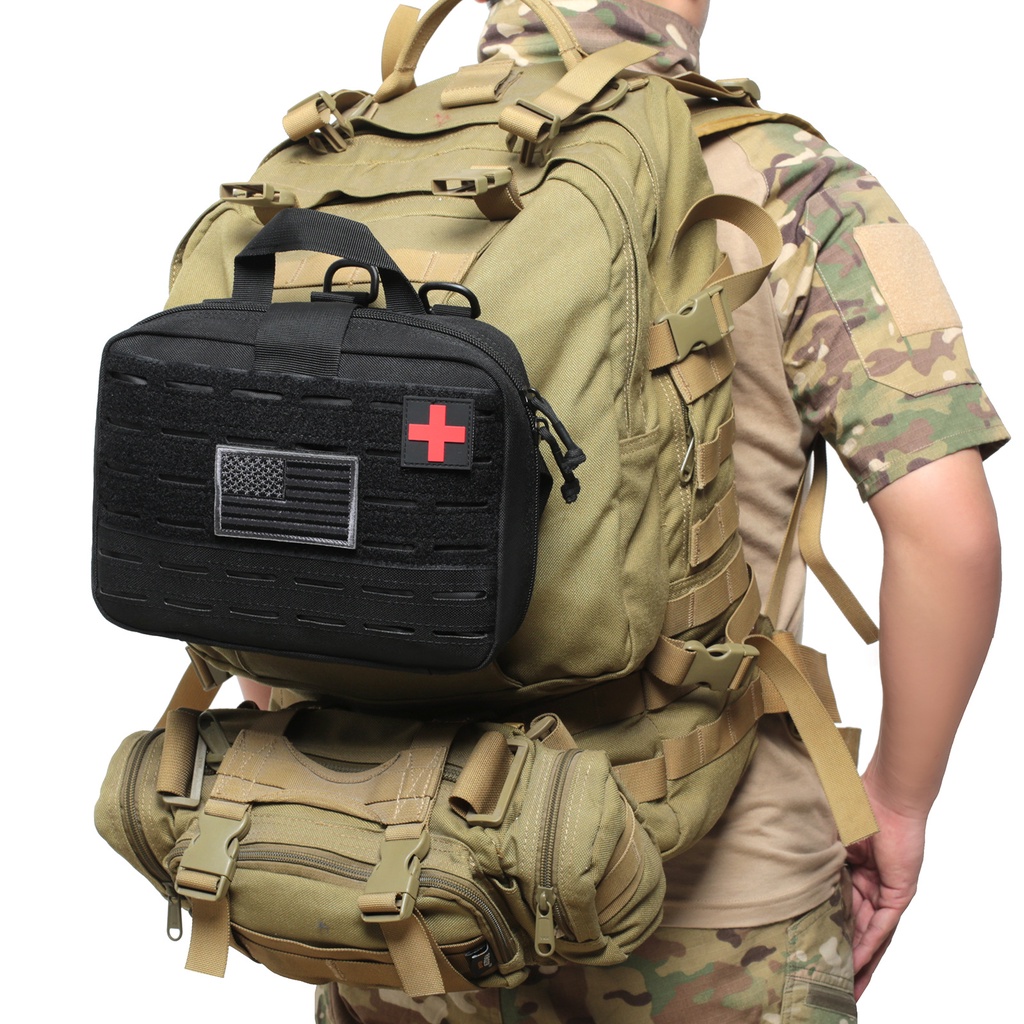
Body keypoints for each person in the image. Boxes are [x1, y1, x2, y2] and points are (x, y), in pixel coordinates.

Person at [267, 1, 1005, 1020]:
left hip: (394, 864)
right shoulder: (791, 183)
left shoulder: (341, 165)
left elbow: (254, 511)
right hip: (713, 883)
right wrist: (899, 799)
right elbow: (947, 531)